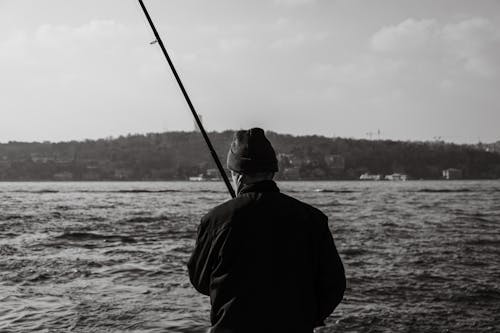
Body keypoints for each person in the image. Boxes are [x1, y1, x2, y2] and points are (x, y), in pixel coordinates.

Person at [188, 128, 345, 333]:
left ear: (237, 176)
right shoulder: (313, 219)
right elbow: (334, 285)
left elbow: (200, 280)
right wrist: (307, 317)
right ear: (272, 172)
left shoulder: (216, 219)